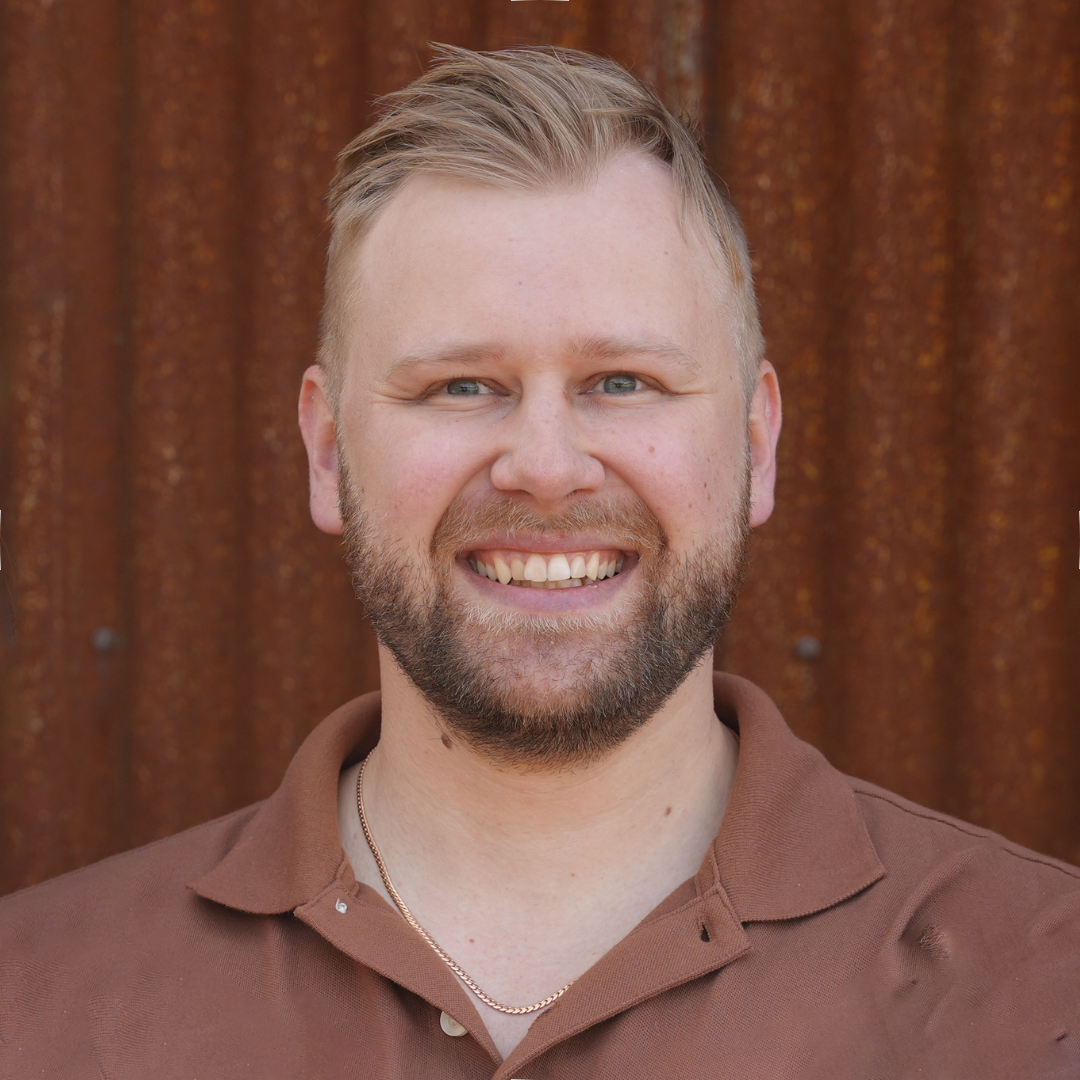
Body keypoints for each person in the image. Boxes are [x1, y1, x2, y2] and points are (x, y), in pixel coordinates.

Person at [1, 45, 1077, 1079]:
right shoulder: (38, 1002)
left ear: (755, 444)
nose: (548, 468)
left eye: (623, 381)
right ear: (328, 453)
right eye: (462, 387)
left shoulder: (1041, 993)